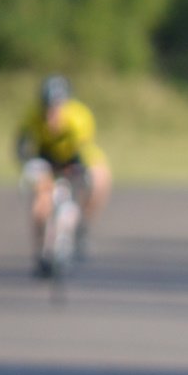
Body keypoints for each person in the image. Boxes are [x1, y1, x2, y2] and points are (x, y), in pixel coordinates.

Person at [14, 75, 112, 276]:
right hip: (46, 159)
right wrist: (30, 167)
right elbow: (21, 147)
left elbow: (84, 150)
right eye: (47, 109)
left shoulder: (79, 117)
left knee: (100, 178)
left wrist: (80, 171)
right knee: (41, 201)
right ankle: (41, 251)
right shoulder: (32, 116)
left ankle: (82, 225)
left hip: (74, 158)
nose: (52, 115)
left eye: (56, 108)